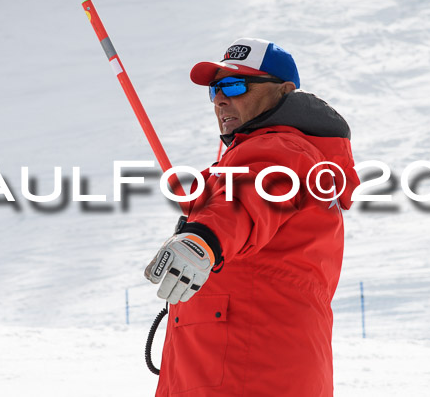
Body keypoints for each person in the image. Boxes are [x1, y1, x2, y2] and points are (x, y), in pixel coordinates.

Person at [145, 38, 359, 396]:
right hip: (231, 364)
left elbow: (244, 202)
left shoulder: (279, 150)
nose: (219, 99)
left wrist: (202, 239)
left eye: (234, 85)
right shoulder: (272, 155)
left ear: (284, 91)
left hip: (249, 370)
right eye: (214, 89)